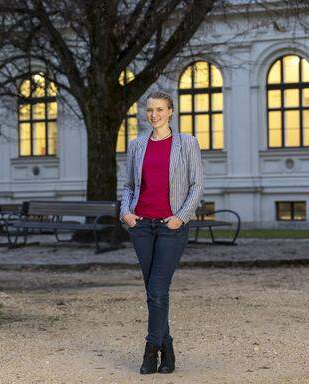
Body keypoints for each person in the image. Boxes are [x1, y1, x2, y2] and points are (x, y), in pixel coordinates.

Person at [120, 91, 204, 374]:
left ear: (170, 112)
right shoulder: (136, 145)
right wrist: (126, 213)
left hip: (171, 226)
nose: (154, 114)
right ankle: (167, 350)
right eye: (150, 110)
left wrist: (180, 218)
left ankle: (150, 350)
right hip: (141, 225)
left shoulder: (187, 143)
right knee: (154, 291)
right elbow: (129, 185)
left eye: (160, 109)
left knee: (156, 289)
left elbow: (196, 186)